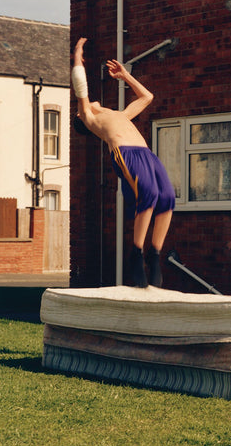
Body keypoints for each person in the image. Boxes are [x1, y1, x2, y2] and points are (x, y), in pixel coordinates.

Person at [71, 37, 175, 287]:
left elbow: (147, 96)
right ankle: (136, 254)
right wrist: (77, 56)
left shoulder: (120, 115)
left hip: (147, 154)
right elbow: (80, 87)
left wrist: (125, 76)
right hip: (125, 152)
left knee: (168, 197)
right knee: (148, 194)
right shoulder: (88, 117)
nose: (93, 101)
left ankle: (155, 254)